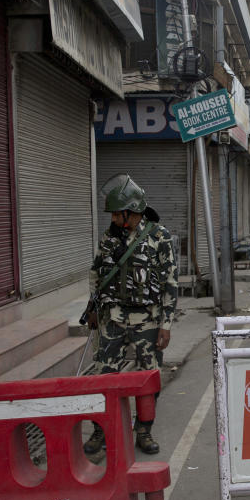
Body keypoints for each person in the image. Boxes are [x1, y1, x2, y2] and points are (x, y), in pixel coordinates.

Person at [83, 174, 178, 455]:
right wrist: (93, 308)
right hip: (112, 318)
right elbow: (96, 274)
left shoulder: (159, 237)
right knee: (104, 376)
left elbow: (170, 282)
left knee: (148, 377)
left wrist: (166, 324)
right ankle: (101, 430)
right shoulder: (109, 238)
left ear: (132, 210)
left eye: (116, 213)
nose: (113, 219)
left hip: (147, 320)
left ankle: (144, 431)